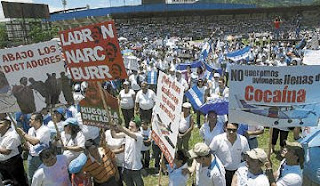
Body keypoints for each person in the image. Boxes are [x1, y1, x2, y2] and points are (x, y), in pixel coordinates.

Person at [16, 112, 51, 184]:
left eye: (31, 119)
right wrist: (26, 146)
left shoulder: (45, 130)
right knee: (31, 177)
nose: (29, 121)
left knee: (44, 177)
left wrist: (23, 133)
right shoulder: (31, 130)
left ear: (38, 121)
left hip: (41, 157)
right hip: (31, 156)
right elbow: (29, 142)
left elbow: (35, 141)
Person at [111, 117, 144, 186]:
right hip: (126, 166)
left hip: (135, 167)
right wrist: (112, 126)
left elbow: (128, 133)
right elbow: (115, 136)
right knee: (128, 183)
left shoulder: (139, 136)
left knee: (139, 184)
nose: (129, 128)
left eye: (132, 127)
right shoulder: (127, 134)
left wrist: (119, 125)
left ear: (137, 128)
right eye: (129, 126)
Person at [0, 119, 28, 186]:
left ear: (7, 126)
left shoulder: (12, 136)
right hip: (2, 164)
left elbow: (7, 152)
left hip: (13, 163)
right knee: (7, 182)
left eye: (0, 123)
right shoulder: (1, 134)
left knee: (19, 182)